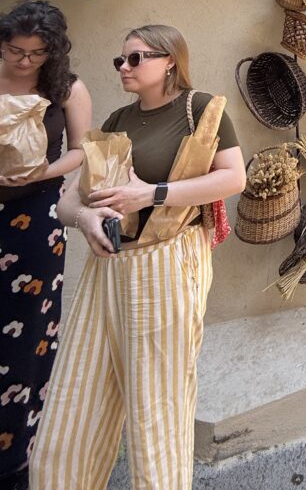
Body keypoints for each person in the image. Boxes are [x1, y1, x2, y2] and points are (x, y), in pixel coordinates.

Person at [29, 24, 246, 490]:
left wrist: (152, 193)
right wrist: (85, 219)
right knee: (75, 399)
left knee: (156, 409)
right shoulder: (118, 119)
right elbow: (68, 200)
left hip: (166, 265)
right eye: (120, 61)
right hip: (106, 267)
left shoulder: (200, 109)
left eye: (135, 58)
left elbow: (233, 178)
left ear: (169, 61)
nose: (124, 68)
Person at [0, 1, 92, 490]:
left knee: (27, 334)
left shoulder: (66, 88)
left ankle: (15, 457)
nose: (24, 61)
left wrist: (40, 172)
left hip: (36, 218)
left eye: (36, 53)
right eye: (16, 50)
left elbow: (80, 150)